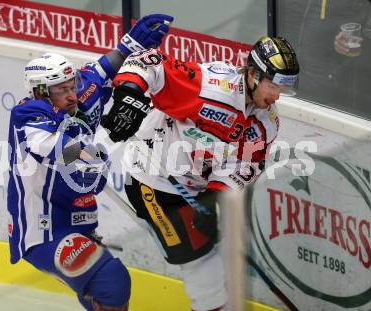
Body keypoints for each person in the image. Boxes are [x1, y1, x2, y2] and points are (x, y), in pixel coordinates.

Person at [101, 36, 299, 311]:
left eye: (283, 89)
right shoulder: (210, 87)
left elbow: (244, 166)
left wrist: (214, 199)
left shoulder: (266, 122)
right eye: (274, 86)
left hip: (195, 189)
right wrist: (129, 92)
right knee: (201, 267)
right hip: (152, 177)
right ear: (253, 74)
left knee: (217, 263)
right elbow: (151, 61)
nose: (277, 96)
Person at [6, 14, 173, 311]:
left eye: (72, 85)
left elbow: (103, 68)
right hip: (43, 230)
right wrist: (101, 148)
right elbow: (64, 152)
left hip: (79, 220)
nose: (72, 96)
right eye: (62, 90)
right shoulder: (27, 116)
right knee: (112, 280)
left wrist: (129, 46)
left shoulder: (78, 92)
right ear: (40, 92)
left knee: (99, 289)